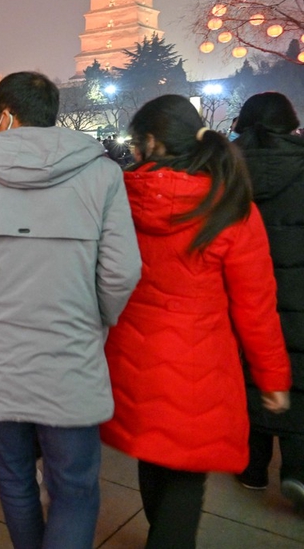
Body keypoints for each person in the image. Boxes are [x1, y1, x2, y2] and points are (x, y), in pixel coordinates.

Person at [0, 71, 142, 548]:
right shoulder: (102, 173)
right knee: (74, 487)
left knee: (14, 478)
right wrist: (96, 319)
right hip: (70, 352)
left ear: (3, 116)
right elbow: (121, 271)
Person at [101, 94, 292, 546]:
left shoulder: (119, 199)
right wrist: (272, 377)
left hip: (129, 358)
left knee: (151, 454)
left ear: (150, 143)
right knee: (185, 477)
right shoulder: (230, 207)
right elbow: (256, 306)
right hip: (201, 367)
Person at [230, 92, 304, 506]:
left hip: (242, 286)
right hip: (298, 289)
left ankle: (253, 467)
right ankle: (296, 469)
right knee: (296, 369)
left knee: (248, 370)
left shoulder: (225, 166)